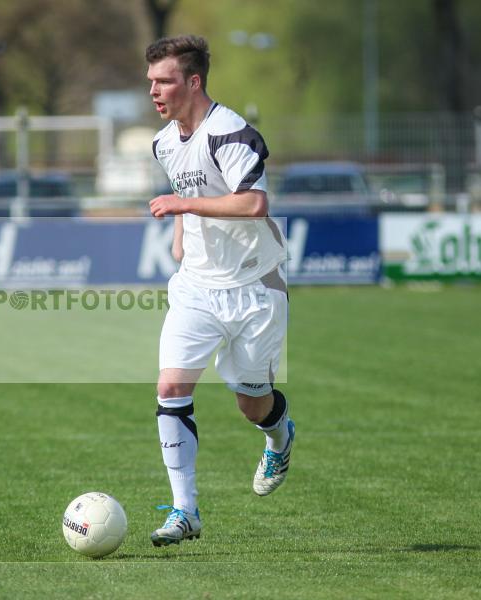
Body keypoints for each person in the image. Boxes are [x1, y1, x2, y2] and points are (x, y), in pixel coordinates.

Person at [145, 35, 294, 547]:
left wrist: (181, 209)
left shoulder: (228, 132)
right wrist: (182, 237)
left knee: (253, 404)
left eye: (163, 81)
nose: (154, 91)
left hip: (255, 286)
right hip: (197, 290)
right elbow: (190, 191)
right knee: (170, 389)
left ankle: (280, 435)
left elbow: (254, 204)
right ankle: (185, 511)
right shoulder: (166, 140)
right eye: (150, 82)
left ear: (193, 81)